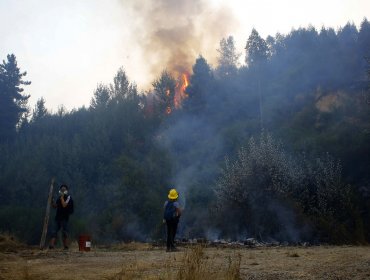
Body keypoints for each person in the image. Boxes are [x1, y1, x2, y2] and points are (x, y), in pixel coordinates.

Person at [49, 184, 73, 250]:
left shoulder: (69, 198)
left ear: (66, 191)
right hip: (58, 218)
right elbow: (55, 206)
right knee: (54, 231)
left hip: (64, 218)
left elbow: (64, 205)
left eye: (64, 190)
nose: (62, 191)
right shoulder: (59, 198)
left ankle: (66, 246)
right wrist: (52, 201)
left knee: (64, 232)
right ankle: (51, 245)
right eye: (61, 190)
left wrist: (62, 198)